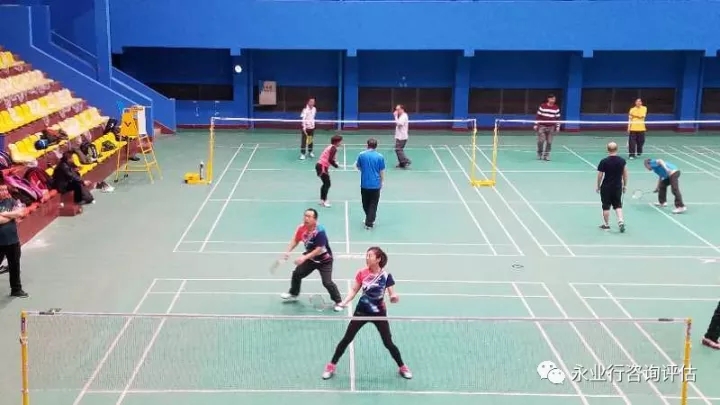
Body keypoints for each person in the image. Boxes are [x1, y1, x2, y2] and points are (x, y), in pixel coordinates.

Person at [322, 246, 412, 380]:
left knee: (388, 342)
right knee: (347, 339)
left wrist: (394, 298)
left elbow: (392, 294)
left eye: (370, 256)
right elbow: (354, 290)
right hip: (361, 311)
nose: (367, 258)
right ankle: (331, 366)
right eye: (367, 255)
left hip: (379, 313)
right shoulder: (362, 273)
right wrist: (344, 302)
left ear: (378, 259)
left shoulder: (386, 276)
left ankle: (402, 367)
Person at [280, 208, 342, 309]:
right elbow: (295, 240)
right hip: (311, 259)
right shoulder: (301, 228)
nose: (306, 218)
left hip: (324, 261)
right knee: (297, 274)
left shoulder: (320, 231)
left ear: (315, 219)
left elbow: (318, 249)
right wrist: (288, 251)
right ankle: (294, 293)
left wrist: (304, 258)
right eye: (305, 216)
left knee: (327, 282)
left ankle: (339, 302)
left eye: (309, 216)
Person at [0, 173, 28, 298]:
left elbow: (21, 212)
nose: (5, 192)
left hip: (13, 241)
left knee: (14, 266)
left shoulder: (10, 201)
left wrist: (5, 214)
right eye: (1, 190)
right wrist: (12, 215)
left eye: (5, 190)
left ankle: (16, 289)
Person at [596, 142, 628, 232]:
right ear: (617, 149)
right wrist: (625, 185)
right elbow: (625, 174)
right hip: (617, 186)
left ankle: (606, 225)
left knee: (606, 206)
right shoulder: (622, 161)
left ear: (607, 150)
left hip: (606, 187)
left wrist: (598, 186)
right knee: (618, 205)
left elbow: (600, 175)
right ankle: (621, 221)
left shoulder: (604, 161)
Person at [355, 138, 385, 229]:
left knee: (366, 203)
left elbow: (358, 166)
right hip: (375, 184)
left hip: (365, 184)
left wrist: (364, 171)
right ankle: (370, 219)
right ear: (376, 146)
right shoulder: (380, 156)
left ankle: (369, 223)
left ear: (367, 145)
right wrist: (382, 182)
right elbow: (381, 171)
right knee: (373, 204)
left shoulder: (361, 155)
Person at [316, 134, 343, 208]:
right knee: (327, 184)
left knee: (325, 183)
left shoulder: (331, 147)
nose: (341, 143)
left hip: (321, 166)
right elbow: (330, 160)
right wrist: (336, 166)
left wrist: (335, 162)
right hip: (322, 167)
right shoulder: (333, 148)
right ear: (337, 142)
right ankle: (324, 201)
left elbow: (330, 158)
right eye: (340, 142)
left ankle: (322, 200)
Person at [534, 94, 561, 161]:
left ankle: (546, 156)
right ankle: (539, 154)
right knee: (541, 141)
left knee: (549, 142)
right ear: (548, 99)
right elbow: (538, 116)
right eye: (552, 99)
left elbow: (558, 118)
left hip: (551, 127)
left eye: (554, 99)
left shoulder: (556, 108)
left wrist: (558, 126)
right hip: (542, 126)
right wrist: (535, 124)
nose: (553, 100)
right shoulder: (542, 106)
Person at [393, 104, 411, 169]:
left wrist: (395, 116)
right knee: (398, 149)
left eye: (398, 109)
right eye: (396, 109)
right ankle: (402, 164)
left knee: (398, 149)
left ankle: (406, 161)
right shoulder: (401, 116)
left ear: (402, 109)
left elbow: (399, 124)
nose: (396, 111)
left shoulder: (404, 116)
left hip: (402, 137)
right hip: (399, 136)